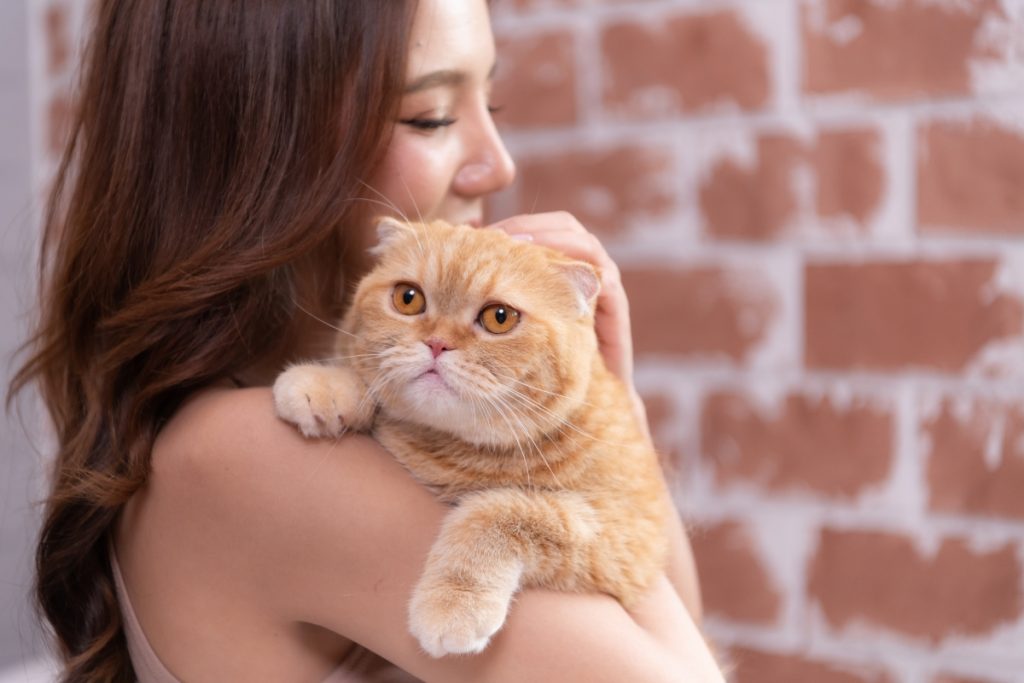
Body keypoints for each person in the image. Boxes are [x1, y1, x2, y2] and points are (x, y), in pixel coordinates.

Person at [12, 1, 724, 681]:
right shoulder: (261, 450)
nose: (498, 164)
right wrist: (593, 436)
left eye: (492, 103)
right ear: (265, 145)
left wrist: (605, 407)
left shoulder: (336, 416)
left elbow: (667, 612)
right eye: (431, 115)